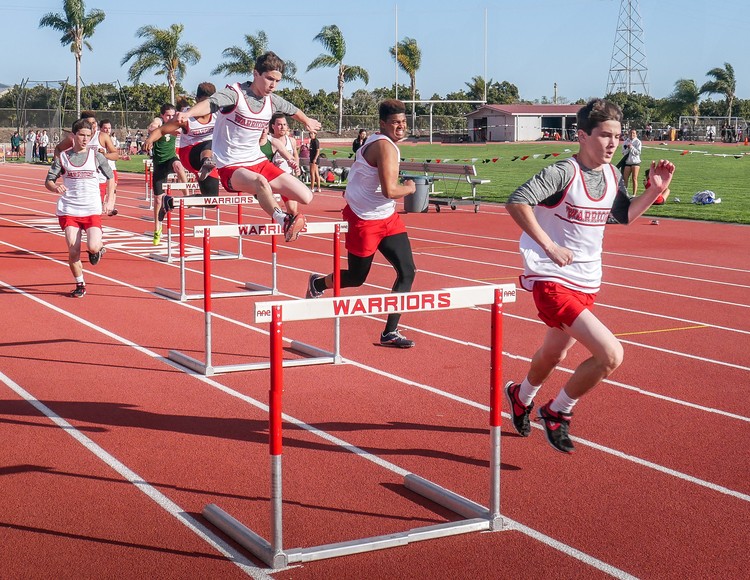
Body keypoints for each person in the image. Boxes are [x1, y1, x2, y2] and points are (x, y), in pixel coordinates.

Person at [503, 98, 674, 454]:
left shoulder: (612, 175)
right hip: (551, 279)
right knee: (611, 354)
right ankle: (557, 412)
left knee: (553, 355)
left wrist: (654, 191)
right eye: (604, 136)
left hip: (586, 281)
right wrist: (548, 245)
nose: (613, 144)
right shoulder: (563, 172)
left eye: (617, 137)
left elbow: (623, 216)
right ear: (582, 135)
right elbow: (517, 201)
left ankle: (521, 397)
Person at [305, 99, 418, 348]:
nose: (401, 127)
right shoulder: (384, 146)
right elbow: (390, 190)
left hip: (387, 217)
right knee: (357, 278)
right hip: (364, 219)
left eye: (403, 122)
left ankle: (390, 332)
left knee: (407, 271)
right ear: (382, 124)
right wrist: (410, 188)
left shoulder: (378, 140)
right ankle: (318, 282)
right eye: (395, 123)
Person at [176, 51, 321, 242]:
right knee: (260, 182)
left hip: (258, 161)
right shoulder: (235, 94)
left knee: (306, 196)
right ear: (255, 74)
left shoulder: (272, 100)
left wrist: (307, 121)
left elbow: (292, 110)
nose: (273, 85)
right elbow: (210, 104)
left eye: (277, 81)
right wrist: (189, 114)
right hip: (231, 165)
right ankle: (282, 220)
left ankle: (262, 193)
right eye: (269, 79)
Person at [44, 118, 115, 298]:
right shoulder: (64, 157)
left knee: (92, 246)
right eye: (82, 135)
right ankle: (80, 283)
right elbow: (48, 181)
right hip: (70, 209)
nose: (85, 139)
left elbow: (110, 177)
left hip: (91, 208)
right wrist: (55, 187)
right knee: (73, 249)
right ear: (73, 136)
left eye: (88, 136)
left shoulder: (96, 156)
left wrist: (110, 199)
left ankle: (98, 249)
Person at [145, 83, 221, 217]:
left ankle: (171, 201)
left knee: (211, 200)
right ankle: (207, 161)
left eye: (209, 104)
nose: (206, 108)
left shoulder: (218, 114)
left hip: (209, 156)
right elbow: (162, 130)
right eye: (203, 104)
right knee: (209, 143)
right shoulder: (186, 118)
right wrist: (150, 140)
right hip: (189, 154)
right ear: (197, 101)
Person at [54, 111, 121, 217]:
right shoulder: (74, 138)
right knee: (80, 212)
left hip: (98, 179)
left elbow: (115, 155)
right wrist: (57, 166)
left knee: (94, 212)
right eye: (90, 123)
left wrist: (104, 156)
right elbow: (58, 148)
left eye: (94, 123)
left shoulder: (102, 136)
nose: (93, 126)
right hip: (79, 180)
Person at [147, 103, 188, 245]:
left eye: (172, 115)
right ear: (163, 116)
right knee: (158, 200)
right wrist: (164, 129)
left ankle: (187, 195)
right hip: (159, 164)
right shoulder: (159, 122)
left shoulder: (177, 122)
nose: (171, 117)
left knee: (178, 165)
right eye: (168, 116)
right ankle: (157, 229)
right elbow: (152, 127)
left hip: (171, 159)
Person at [99, 119, 130, 216]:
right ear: (101, 129)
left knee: (113, 188)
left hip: (112, 167)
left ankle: (111, 207)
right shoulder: (99, 139)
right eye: (105, 128)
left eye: (109, 128)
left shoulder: (112, 139)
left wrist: (121, 157)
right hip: (102, 168)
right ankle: (102, 206)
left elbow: (113, 154)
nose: (107, 130)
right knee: (102, 188)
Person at [622, 128, 642, 196]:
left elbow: (638, 152)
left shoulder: (638, 142)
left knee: (634, 178)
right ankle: (625, 193)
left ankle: (634, 194)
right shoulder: (625, 142)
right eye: (631, 133)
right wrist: (628, 148)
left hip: (635, 162)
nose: (632, 134)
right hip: (627, 162)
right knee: (625, 178)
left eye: (633, 133)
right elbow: (623, 152)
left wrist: (631, 147)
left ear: (636, 134)